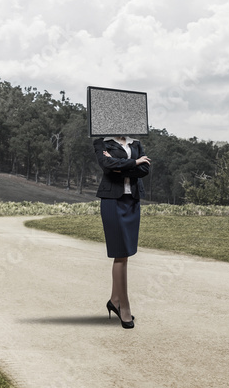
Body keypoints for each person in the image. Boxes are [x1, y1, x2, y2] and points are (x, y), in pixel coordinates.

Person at [94, 135, 151, 329]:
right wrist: (134, 162)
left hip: (132, 201)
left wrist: (120, 166)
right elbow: (107, 166)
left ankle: (114, 300)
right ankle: (124, 307)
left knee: (126, 254)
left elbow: (145, 169)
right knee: (120, 254)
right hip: (112, 201)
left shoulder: (135, 143)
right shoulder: (102, 142)